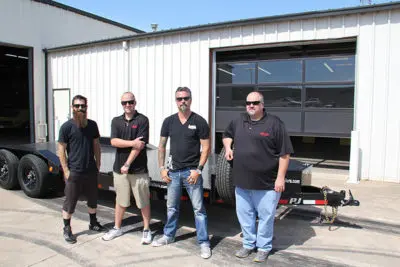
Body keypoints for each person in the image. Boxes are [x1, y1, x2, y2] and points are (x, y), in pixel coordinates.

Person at [222, 91, 293, 263]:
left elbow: (285, 154)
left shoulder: (274, 124)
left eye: (254, 102)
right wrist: (229, 147)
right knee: (245, 217)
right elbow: (226, 135)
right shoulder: (238, 121)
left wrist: (280, 178)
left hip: (267, 184)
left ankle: (263, 247)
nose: (250, 106)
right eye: (248, 103)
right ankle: (248, 244)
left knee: (266, 218)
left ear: (262, 105)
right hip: (242, 182)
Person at [151, 86, 212, 259]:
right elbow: (161, 146)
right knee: (171, 207)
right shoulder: (168, 121)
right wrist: (162, 169)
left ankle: (204, 243)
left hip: (191, 172)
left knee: (199, 209)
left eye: (185, 98)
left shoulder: (199, 121)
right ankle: (168, 236)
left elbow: (206, 147)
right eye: (179, 99)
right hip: (173, 173)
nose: (182, 101)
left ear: (191, 99)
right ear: (175, 101)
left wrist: (198, 171)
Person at [102, 92, 152, 244]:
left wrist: (127, 164)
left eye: (130, 102)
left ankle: (147, 229)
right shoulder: (116, 121)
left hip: (138, 170)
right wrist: (131, 143)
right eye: (124, 103)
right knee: (121, 201)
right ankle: (117, 228)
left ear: (135, 102)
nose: (127, 105)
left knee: (143, 201)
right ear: (121, 104)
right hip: (120, 171)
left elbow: (140, 146)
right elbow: (114, 142)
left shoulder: (142, 120)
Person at [58, 95, 107, 244]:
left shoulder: (92, 125)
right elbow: (61, 149)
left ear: (86, 107)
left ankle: (93, 222)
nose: (80, 108)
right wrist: (66, 170)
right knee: (70, 201)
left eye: (83, 106)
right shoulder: (66, 127)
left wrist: (98, 164)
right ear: (72, 108)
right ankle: (67, 228)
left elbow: (96, 146)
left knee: (93, 199)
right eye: (77, 106)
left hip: (90, 170)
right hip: (75, 171)